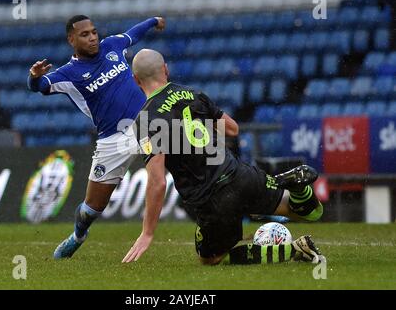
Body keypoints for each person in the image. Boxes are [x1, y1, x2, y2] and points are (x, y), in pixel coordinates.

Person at [122, 49, 325, 265]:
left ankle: (293, 250)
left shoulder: (146, 119)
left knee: (209, 259)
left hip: (212, 197)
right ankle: (297, 188)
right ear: (165, 69)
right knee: (309, 213)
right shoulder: (193, 94)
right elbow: (232, 129)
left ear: (136, 80)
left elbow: (157, 181)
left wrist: (147, 232)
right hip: (239, 174)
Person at [27, 15, 166, 259]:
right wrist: (34, 77)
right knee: (91, 209)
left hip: (146, 125)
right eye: (84, 34)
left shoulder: (112, 46)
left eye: (93, 32)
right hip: (111, 141)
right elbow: (39, 87)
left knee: (185, 167)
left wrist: (153, 21)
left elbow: (133, 33)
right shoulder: (68, 74)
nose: (92, 37)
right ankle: (78, 235)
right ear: (72, 40)